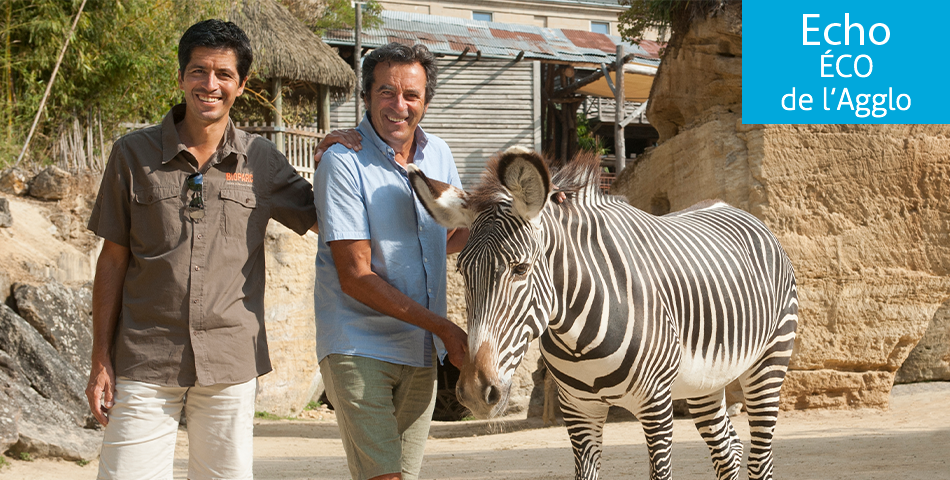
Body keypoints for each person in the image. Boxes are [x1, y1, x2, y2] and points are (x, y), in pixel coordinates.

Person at [84, 19, 355, 480]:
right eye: (199, 71)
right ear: (181, 76)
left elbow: (327, 222)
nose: (210, 85)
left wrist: (342, 161)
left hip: (231, 357)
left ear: (242, 84)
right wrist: (100, 358)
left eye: (224, 75)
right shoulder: (132, 154)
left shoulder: (262, 160)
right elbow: (112, 259)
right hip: (145, 356)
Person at [313, 42, 470, 480]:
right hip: (359, 344)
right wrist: (443, 326)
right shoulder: (343, 162)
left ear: (425, 101)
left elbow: (456, 231)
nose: (398, 105)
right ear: (366, 96)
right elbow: (355, 276)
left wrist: (532, 204)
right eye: (385, 92)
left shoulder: (438, 153)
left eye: (411, 95)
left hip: (419, 350)